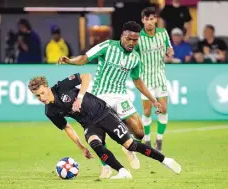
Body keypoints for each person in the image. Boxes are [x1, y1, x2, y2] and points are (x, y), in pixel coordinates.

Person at [58, 21, 162, 178]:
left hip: (120, 96)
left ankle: (128, 147)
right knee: (99, 136)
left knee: (139, 132)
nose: (132, 43)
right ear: (122, 36)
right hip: (99, 96)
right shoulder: (107, 46)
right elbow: (85, 58)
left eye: (135, 40)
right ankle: (105, 166)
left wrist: (153, 100)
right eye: (129, 39)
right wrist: (70, 61)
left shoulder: (135, 57)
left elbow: (137, 80)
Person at [28, 72, 182, 179]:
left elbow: (86, 76)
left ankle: (165, 160)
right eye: (37, 96)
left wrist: (80, 97)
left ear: (47, 87)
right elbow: (67, 127)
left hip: (103, 112)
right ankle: (122, 171)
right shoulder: (50, 111)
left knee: (130, 145)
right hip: (88, 123)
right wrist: (82, 147)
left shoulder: (62, 87)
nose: (41, 97)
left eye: (42, 93)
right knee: (94, 143)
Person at [135, 7, 173, 150]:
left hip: (160, 77)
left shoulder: (163, 33)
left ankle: (159, 140)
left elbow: (169, 48)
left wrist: (170, 50)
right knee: (147, 111)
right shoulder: (138, 38)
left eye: (152, 19)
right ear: (142, 20)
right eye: (146, 19)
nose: (149, 22)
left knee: (163, 109)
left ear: (156, 19)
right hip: (145, 79)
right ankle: (146, 140)